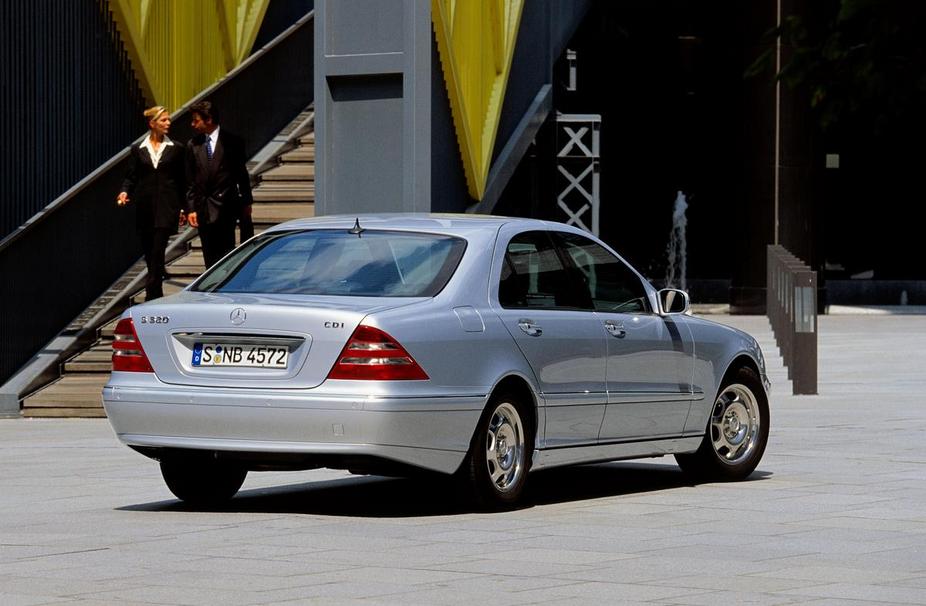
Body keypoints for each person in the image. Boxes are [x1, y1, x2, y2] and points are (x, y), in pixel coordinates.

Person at [117, 106, 187, 301]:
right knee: (150, 254)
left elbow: (182, 180)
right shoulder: (138, 149)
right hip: (145, 209)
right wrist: (124, 191)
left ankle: (151, 294)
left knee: (158, 249)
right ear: (152, 123)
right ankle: (157, 292)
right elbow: (131, 176)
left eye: (168, 119)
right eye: (164, 120)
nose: (168, 123)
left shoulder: (176, 148)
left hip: (167, 208)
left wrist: (185, 207)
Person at [185, 100, 253, 268]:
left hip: (226, 206)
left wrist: (247, 201)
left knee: (226, 254)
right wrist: (191, 208)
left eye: (196, 120)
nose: (192, 124)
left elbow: (241, 174)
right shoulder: (193, 144)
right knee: (209, 255)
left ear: (208, 120)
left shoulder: (233, 142)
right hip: (203, 208)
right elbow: (190, 179)